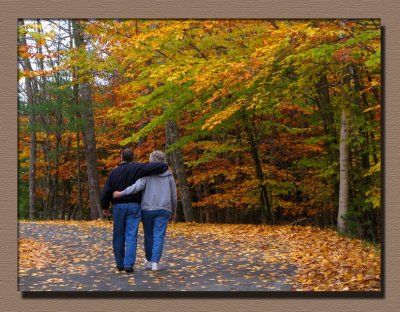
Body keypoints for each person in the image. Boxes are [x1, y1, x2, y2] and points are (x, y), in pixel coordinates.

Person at [101, 148, 168, 273]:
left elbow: (107, 190)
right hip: (134, 205)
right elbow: (155, 167)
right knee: (131, 235)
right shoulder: (138, 168)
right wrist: (164, 166)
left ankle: (119, 263)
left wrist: (105, 206)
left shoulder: (114, 173)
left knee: (118, 234)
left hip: (118, 206)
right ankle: (129, 264)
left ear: (121, 157)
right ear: (133, 157)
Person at [113, 150, 177, 271]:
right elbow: (174, 195)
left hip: (147, 208)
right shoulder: (169, 175)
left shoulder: (147, 174)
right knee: (159, 235)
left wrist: (121, 193)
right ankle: (155, 263)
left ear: (151, 161)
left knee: (149, 235)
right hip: (164, 209)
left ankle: (148, 260)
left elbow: (136, 187)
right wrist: (174, 210)